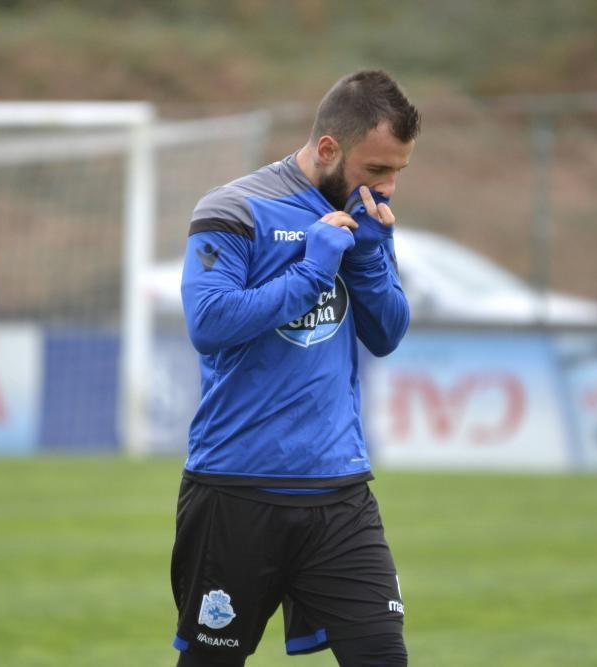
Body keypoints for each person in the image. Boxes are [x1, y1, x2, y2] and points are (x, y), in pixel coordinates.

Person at [170, 70, 420, 666]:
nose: (385, 188)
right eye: (376, 170)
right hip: (237, 489)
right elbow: (209, 323)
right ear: (330, 148)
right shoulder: (233, 208)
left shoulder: (360, 215)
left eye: (397, 173)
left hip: (340, 492)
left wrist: (371, 256)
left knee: (384, 657)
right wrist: (311, 270)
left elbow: (386, 333)